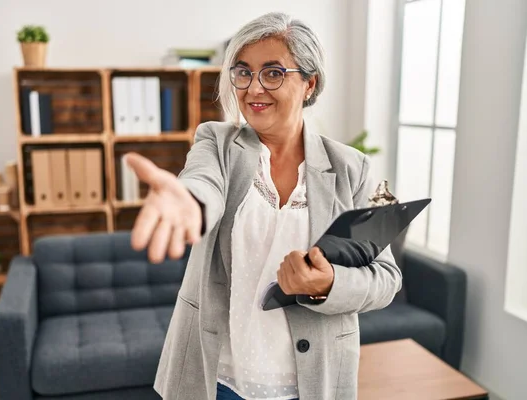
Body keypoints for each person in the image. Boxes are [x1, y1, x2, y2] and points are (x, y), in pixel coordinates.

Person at [126, 12, 402, 400]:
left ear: (309, 83)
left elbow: (386, 278)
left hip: (312, 382)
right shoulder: (217, 143)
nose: (253, 89)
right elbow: (203, 184)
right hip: (218, 378)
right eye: (243, 72)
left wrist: (328, 284)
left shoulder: (350, 168)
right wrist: (188, 202)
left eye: (273, 73)